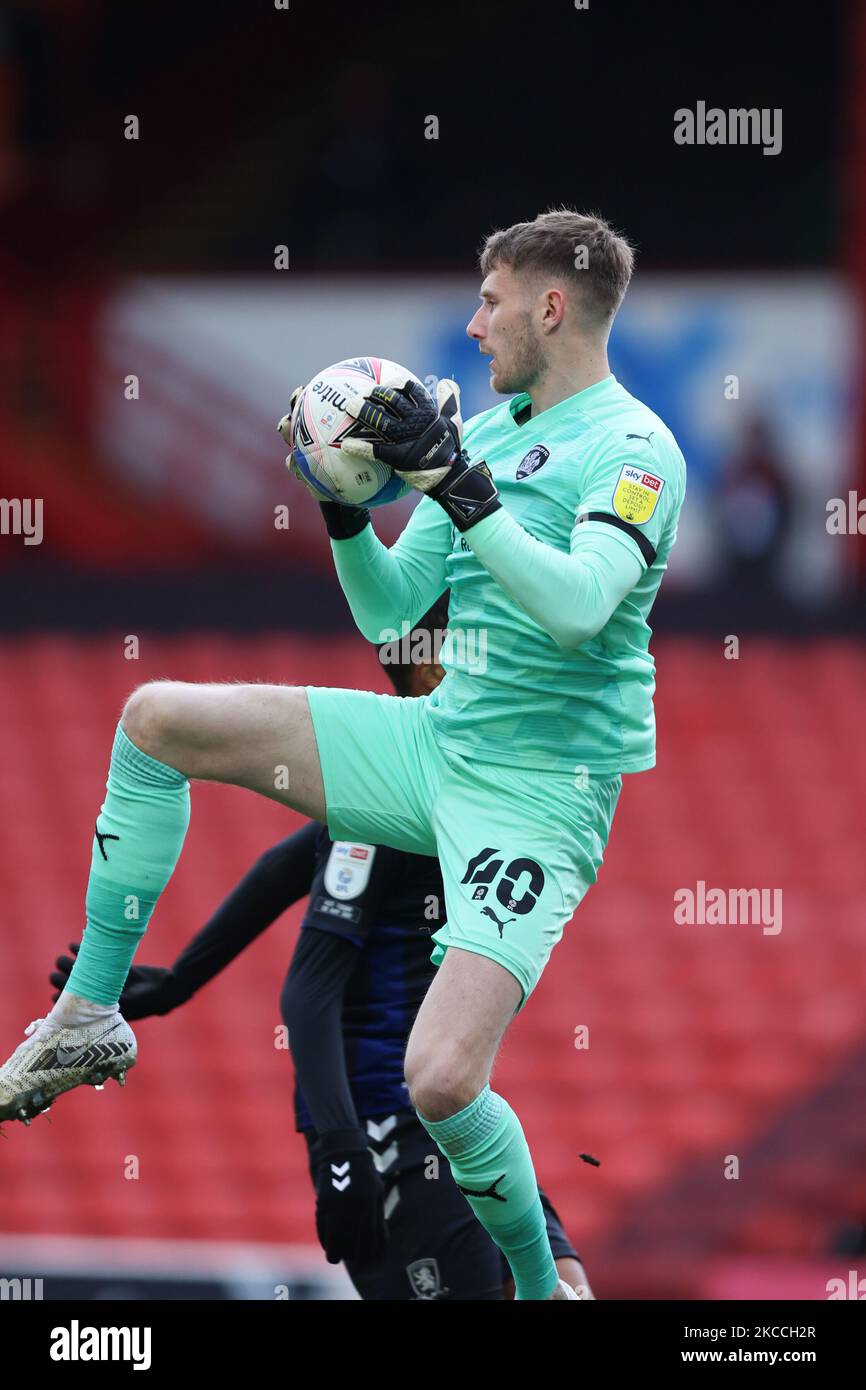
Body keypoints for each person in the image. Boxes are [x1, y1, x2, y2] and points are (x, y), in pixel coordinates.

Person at [1, 207, 686, 1301]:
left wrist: (459, 489)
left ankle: (539, 1288)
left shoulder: (635, 448)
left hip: (535, 800)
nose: (473, 326)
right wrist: (339, 509)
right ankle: (87, 1015)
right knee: (154, 718)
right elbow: (392, 618)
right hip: (434, 744)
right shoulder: (499, 435)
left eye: (491, 300)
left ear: (550, 306)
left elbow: (577, 605)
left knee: (443, 1080)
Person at [49, 599, 592, 1300]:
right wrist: (343, 1152)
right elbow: (307, 992)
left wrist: (185, 978)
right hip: (387, 1129)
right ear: (431, 670)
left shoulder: (457, 775)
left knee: (571, 1285)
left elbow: (286, 863)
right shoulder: (389, 786)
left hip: (456, 1124)